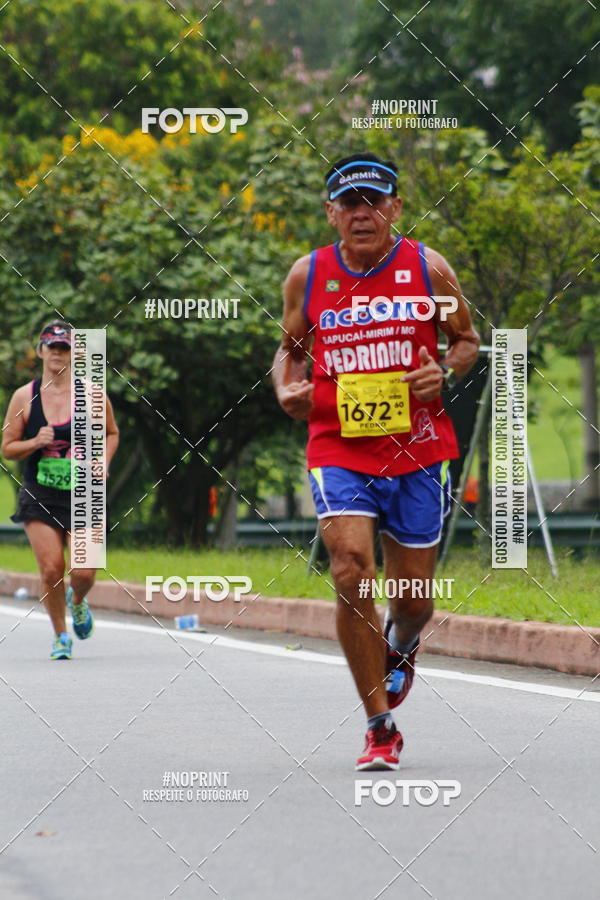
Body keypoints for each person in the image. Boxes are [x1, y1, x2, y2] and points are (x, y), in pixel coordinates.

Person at [273, 153, 479, 770]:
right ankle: (379, 725)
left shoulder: (428, 269)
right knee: (350, 568)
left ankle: (400, 640)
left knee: (413, 600)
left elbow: (465, 340)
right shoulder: (309, 274)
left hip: (418, 449)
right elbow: (289, 352)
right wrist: (286, 389)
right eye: (349, 204)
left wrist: (444, 373)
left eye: (373, 202)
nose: (361, 214)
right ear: (331, 213)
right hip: (338, 446)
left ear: (395, 207)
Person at [1, 321, 119, 660]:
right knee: (52, 569)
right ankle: (60, 636)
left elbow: (111, 433)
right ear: (41, 351)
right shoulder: (24, 397)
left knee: (83, 572)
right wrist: (34, 442)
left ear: (74, 354)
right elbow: (7, 448)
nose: (57, 353)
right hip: (41, 495)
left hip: (85, 494)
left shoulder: (93, 395)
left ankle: (77, 600)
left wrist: (103, 461)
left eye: (64, 348)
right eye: (51, 347)